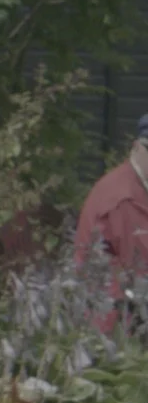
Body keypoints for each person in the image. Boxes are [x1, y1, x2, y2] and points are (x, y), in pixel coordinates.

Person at [72, 114, 148, 336]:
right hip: (111, 324)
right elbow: (140, 268)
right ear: (137, 147)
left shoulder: (132, 182)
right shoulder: (125, 199)